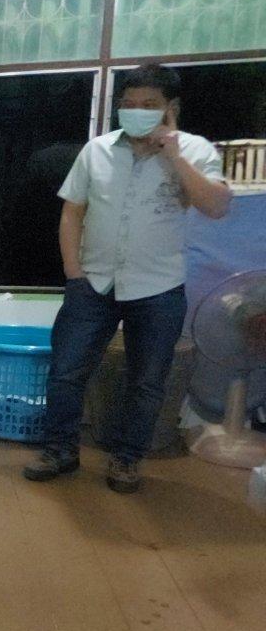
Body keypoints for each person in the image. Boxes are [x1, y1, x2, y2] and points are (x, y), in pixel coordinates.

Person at [23, 63, 230, 493]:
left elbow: (216, 206)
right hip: (93, 284)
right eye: (129, 104)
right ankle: (59, 450)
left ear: (171, 108)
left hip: (159, 288)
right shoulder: (96, 151)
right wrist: (73, 273)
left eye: (148, 105)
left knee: (147, 382)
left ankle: (127, 459)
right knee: (65, 371)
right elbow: (72, 212)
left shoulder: (196, 150)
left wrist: (173, 155)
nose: (136, 111)